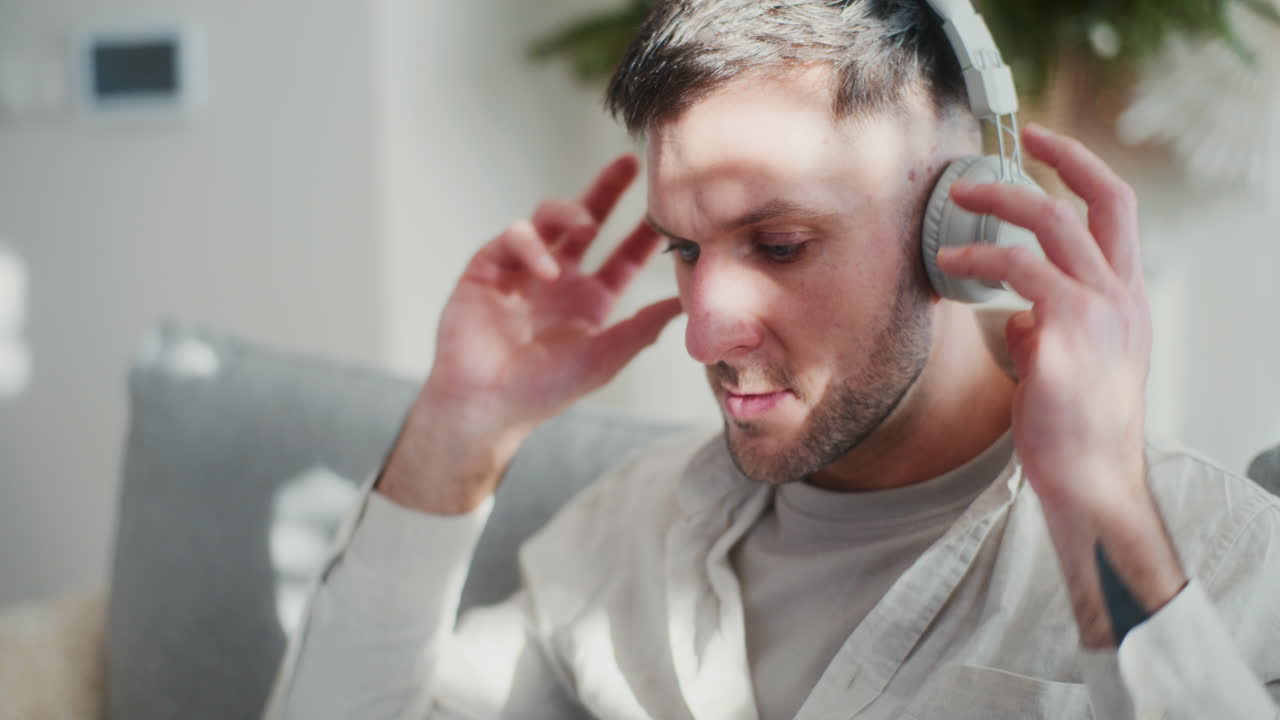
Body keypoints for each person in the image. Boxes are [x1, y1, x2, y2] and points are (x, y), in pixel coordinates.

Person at [264, 1, 1280, 718]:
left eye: (780, 245)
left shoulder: (1233, 569)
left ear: (959, 217)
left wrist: (1103, 514)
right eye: (683, 247)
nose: (703, 330)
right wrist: (456, 432)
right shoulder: (624, 537)